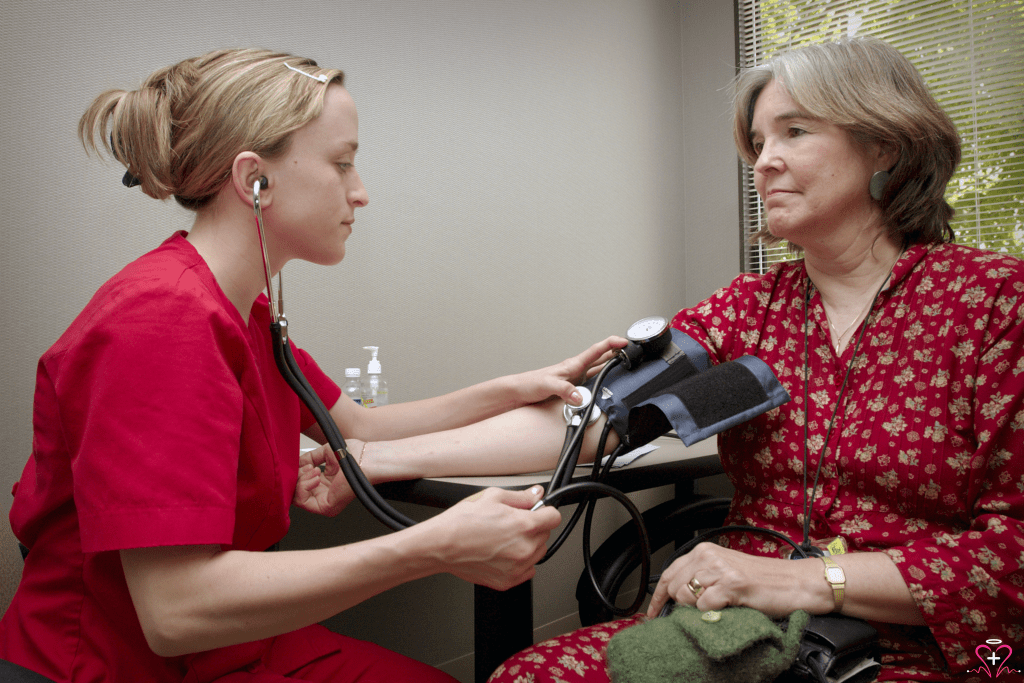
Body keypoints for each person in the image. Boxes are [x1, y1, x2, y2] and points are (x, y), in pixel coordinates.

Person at [0, 49, 627, 682]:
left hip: (233, 648)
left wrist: (515, 385)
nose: (361, 193)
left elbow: (362, 427)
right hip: (115, 664)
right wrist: (433, 546)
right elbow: (174, 611)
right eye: (341, 163)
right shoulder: (160, 319)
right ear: (255, 181)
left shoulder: (239, 311)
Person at [488, 36, 1024, 683]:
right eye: (758, 144)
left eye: (793, 132)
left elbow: (1011, 548)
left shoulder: (994, 303)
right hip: (734, 630)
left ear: (885, 143)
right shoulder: (751, 312)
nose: (765, 162)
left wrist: (805, 579)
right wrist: (375, 456)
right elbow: (600, 420)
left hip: (914, 644)